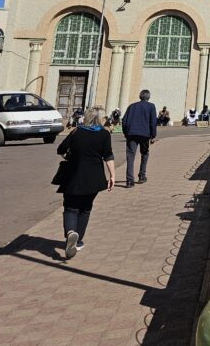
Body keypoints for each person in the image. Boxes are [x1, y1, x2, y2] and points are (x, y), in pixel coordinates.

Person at [56, 106, 114, 259]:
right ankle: (79, 240)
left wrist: (68, 154)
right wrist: (112, 176)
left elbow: (61, 149)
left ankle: (70, 233)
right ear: (101, 119)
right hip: (94, 178)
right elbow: (108, 156)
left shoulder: (77, 132)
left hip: (73, 175)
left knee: (70, 208)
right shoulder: (104, 134)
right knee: (85, 209)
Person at [121, 89, 157, 187]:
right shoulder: (151, 106)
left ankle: (129, 180)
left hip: (131, 134)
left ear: (140, 96)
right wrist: (153, 136)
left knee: (130, 156)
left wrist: (125, 133)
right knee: (144, 154)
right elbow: (153, 122)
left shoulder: (131, 106)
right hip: (145, 134)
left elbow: (124, 121)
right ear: (148, 97)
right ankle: (141, 176)